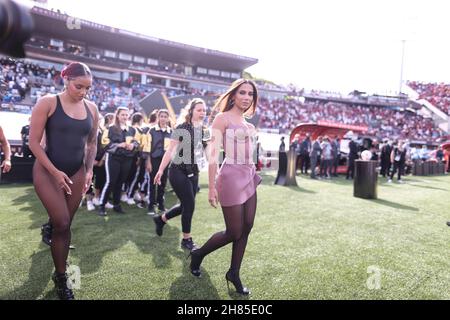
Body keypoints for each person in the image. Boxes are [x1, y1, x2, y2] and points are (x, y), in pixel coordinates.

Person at [29, 62, 99, 300]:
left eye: (87, 88)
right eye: (78, 86)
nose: (83, 92)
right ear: (65, 80)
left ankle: (51, 228)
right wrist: (55, 172)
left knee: (65, 224)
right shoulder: (48, 102)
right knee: (61, 222)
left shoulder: (92, 108)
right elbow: (34, 143)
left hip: (77, 172)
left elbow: (92, 143)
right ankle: (61, 278)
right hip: (47, 170)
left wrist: (89, 170)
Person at [189, 79, 261, 295]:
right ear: (233, 95)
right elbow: (212, 155)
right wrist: (211, 187)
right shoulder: (222, 118)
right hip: (229, 177)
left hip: (249, 175)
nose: (247, 97)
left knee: (247, 226)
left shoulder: (250, 125)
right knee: (234, 231)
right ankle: (199, 254)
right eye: (243, 93)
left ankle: (234, 273)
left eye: (250, 94)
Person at [152, 99, 208, 250]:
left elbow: (208, 152)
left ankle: (161, 219)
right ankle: (186, 239)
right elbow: (170, 151)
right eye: (199, 110)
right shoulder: (181, 127)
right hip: (177, 170)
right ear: (191, 111)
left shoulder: (204, 130)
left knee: (185, 205)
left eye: (204, 110)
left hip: (194, 171)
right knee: (189, 205)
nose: (202, 113)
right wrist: (161, 170)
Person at [98, 107, 140, 216]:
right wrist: (118, 145)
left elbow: (137, 142)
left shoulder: (132, 129)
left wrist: (133, 145)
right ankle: (102, 205)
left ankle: (117, 205)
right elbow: (104, 143)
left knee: (120, 182)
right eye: (123, 114)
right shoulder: (110, 128)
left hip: (127, 159)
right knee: (110, 181)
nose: (125, 117)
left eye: (126, 115)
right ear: (117, 115)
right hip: (113, 158)